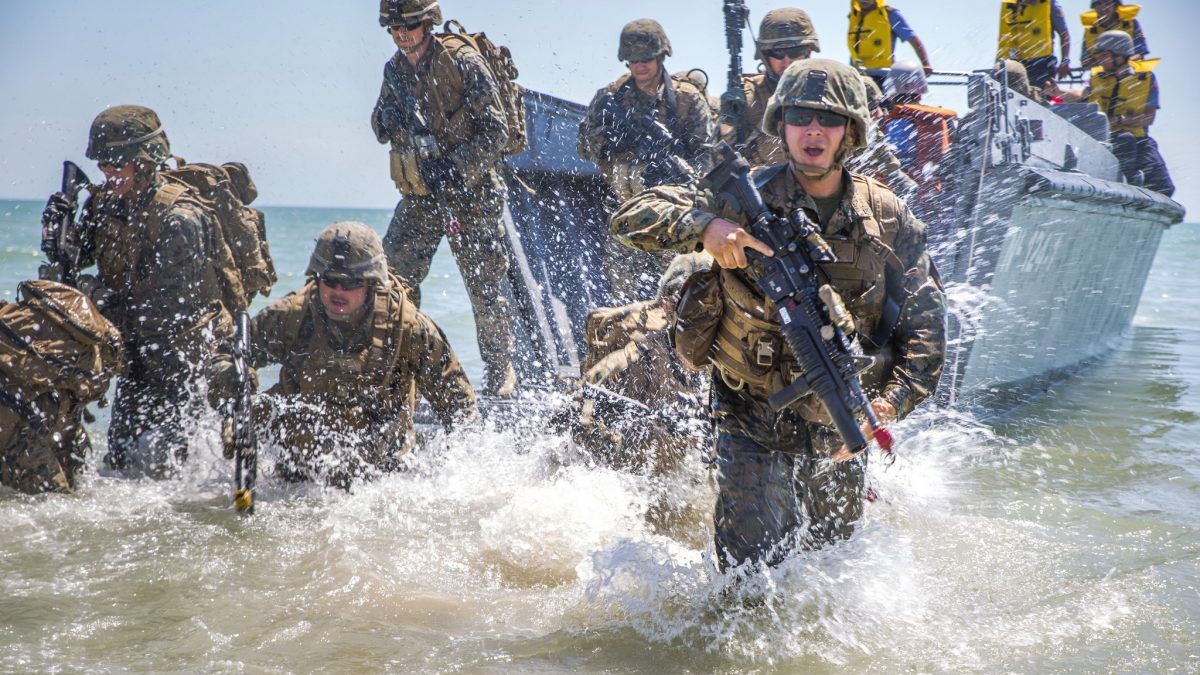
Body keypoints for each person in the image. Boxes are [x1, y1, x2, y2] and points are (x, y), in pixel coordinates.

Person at [610, 59, 946, 570]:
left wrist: (890, 404)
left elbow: (926, 327)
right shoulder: (743, 197)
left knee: (834, 578)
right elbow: (631, 218)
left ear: (850, 131)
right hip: (751, 419)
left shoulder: (888, 217)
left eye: (828, 120)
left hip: (839, 425)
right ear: (781, 125)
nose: (813, 130)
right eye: (800, 117)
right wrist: (706, 227)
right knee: (749, 582)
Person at [40, 105, 238, 475]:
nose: (109, 173)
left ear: (145, 160)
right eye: (103, 164)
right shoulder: (106, 202)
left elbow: (165, 308)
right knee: (123, 464)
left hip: (185, 359)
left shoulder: (180, 219)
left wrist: (94, 299)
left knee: (172, 474)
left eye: (118, 163)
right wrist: (58, 232)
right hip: (138, 356)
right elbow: (77, 258)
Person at [209, 222, 477, 489]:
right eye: (330, 280)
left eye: (350, 282)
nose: (338, 291)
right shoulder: (293, 315)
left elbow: (461, 409)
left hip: (380, 480)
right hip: (296, 474)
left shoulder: (407, 328)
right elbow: (226, 355)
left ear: (372, 282)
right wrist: (232, 393)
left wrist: (453, 479)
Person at [371, 0, 517, 397]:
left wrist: (456, 165)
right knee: (394, 280)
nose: (402, 35)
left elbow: (496, 130)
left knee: (484, 286)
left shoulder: (460, 60)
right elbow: (378, 126)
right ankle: (402, 370)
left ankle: (500, 370)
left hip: (472, 192)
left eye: (409, 26)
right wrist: (390, 120)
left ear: (427, 24)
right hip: (422, 196)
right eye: (394, 28)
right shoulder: (395, 70)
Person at [577, 18, 716, 303]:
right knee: (625, 298)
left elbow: (707, 156)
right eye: (632, 59)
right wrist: (612, 139)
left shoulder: (686, 98)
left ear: (661, 55)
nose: (639, 65)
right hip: (628, 212)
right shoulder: (609, 98)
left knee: (678, 296)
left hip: (675, 214)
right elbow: (584, 147)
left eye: (646, 58)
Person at [573, 252, 712, 474]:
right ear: (668, 306)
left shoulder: (729, 350)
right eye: (692, 306)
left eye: (711, 306)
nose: (703, 317)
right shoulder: (635, 357)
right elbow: (579, 424)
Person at [0, 280, 122, 494]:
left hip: (14, 412)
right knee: (56, 501)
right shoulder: (92, 358)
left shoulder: (26, 324)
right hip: (11, 423)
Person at [1045, 31, 1173, 196]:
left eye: (1104, 55)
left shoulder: (1146, 79)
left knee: (1165, 188)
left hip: (1138, 139)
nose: (1099, 60)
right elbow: (1082, 94)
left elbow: (1149, 118)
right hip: (1106, 137)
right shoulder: (1097, 77)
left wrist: (1120, 120)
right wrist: (1057, 92)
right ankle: (1131, 186)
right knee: (1124, 140)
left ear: (1120, 56)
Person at [719, 8, 821, 168]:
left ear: (808, 51)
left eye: (795, 51)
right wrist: (727, 124)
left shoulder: (830, 90)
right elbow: (719, 164)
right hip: (762, 189)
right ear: (765, 55)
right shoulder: (747, 97)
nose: (786, 61)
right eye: (778, 52)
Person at [883, 61, 957, 200]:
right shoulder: (937, 119)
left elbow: (889, 160)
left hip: (904, 196)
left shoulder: (897, 122)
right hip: (932, 195)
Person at [847, 74, 918, 202]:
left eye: (879, 106)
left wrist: (906, 185)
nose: (880, 113)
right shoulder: (836, 133)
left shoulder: (872, 133)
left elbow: (887, 160)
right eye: (873, 107)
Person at [847, 1, 933, 82]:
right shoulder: (854, 17)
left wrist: (925, 64)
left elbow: (913, 39)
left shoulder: (890, 15)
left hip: (883, 77)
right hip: (856, 76)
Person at [996, 0, 1072, 89]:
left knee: (1040, 98)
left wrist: (1065, 61)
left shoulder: (1050, 3)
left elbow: (1064, 35)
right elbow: (1003, 41)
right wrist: (997, 65)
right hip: (1015, 63)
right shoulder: (1009, 4)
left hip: (1042, 64)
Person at [1080, 0, 1149, 68]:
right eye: (1098, 4)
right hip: (1101, 77)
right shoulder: (1090, 30)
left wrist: (1123, 63)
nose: (1103, 8)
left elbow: (1140, 53)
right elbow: (1085, 62)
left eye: (1107, 3)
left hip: (1129, 74)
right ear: (1094, 7)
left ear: (1116, 5)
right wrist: (1105, 63)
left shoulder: (1131, 24)